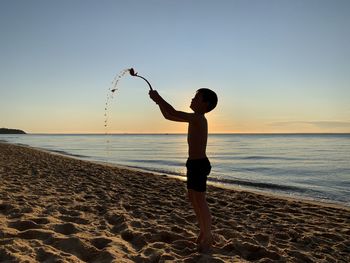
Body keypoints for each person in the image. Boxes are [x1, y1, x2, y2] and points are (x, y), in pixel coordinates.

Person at [149, 88, 218, 252]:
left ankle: (208, 235)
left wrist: (159, 98)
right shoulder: (193, 119)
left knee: (200, 200)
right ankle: (203, 230)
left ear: (205, 104)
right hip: (192, 163)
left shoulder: (199, 119)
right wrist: (158, 103)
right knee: (193, 198)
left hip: (200, 164)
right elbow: (168, 115)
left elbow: (172, 110)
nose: (192, 99)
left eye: (197, 98)